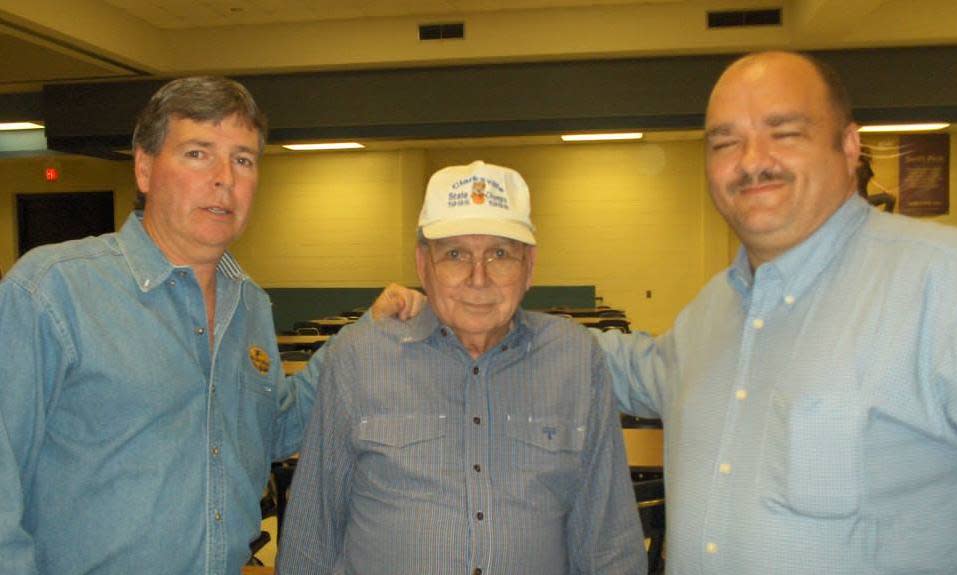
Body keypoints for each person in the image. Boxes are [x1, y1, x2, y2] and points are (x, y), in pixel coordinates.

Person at [377, 51, 957, 573]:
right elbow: (626, 367)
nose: (753, 161)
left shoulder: (938, 284)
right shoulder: (717, 309)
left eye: (784, 132)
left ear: (850, 145)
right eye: (725, 141)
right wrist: (466, 308)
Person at [0, 76, 316, 574]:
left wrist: (368, 338)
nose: (225, 179)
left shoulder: (250, 305)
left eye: (243, 159)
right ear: (144, 169)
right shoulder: (53, 291)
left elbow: (269, 431)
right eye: (197, 153)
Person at [277, 161, 646, 574]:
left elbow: (609, 542)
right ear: (423, 265)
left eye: (500, 254)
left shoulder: (576, 359)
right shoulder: (358, 357)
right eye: (455, 255)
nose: (478, 278)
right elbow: (312, 535)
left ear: (530, 267)